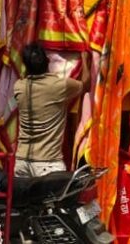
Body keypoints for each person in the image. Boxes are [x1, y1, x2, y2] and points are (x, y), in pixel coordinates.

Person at [14, 43, 84, 176]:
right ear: (47, 62)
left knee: (22, 197)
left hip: (21, 162)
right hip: (48, 165)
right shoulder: (60, 86)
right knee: (53, 197)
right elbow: (85, 83)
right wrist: (86, 58)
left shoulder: (19, 87)